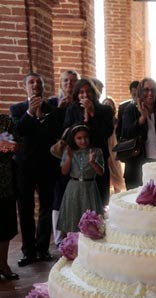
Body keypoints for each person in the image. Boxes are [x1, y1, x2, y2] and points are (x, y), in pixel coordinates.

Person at [10, 72, 62, 266]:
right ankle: (28, 251)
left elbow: (55, 133)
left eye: (38, 82)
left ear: (43, 86)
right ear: (25, 87)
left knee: (47, 208)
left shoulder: (52, 109)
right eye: (31, 82)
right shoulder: (17, 109)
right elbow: (17, 132)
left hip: (47, 165)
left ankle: (42, 248)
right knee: (25, 209)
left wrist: (42, 118)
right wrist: (31, 114)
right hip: (24, 167)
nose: (35, 84)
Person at [64, 79, 113, 206]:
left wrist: (92, 113)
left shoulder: (105, 110)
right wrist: (84, 121)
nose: (85, 95)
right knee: (81, 204)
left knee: (100, 202)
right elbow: (68, 133)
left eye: (88, 91)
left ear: (94, 93)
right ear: (76, 94)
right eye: (81, 92)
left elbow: (106, 132)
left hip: (98, 159)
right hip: (78, 163)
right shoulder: (72, 110)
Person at [48, 69, 79, 247]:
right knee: (59, 197)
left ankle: (76, 237)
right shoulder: (52, 103)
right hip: (58, 157)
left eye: (73, 81)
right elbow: (49, 130)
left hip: (77, 157)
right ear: (60, 83)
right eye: (66, 81)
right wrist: (59, 110)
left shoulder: (80, 104)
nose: (69, 84)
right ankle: (60, 241)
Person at [120, 77, 156, 189]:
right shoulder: (131, 109)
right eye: (146, 90)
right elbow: (126, 133)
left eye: (153, 90)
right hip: (137, 165)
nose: (150, 93)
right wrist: (142, 118)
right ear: (140, 92)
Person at [57, 125, 104, 234]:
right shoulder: (69, 151)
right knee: (72, 219)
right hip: (74, 188)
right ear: (73, 139)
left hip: (90, 188)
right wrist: (69, 158)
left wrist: (93, 162)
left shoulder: (96, 151)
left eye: (86, 137)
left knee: (92, 223)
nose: (83, 141)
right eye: (79, 138)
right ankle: (71, 247)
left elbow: (101, 172)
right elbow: (64, 171)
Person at [0, 118, 19, 280]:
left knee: (5, 226)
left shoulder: (6, 121)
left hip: (5, 181)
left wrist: (14, 147)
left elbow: (17, 143)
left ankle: (3, 264)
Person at [102, 96, 125, 194]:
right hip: (105, 144)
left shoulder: (117, 120)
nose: (108, 107)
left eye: (110, 105)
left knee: (116, 168)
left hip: (114, 145)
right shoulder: (100, 120)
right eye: (106, 104)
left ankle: (118, 192)